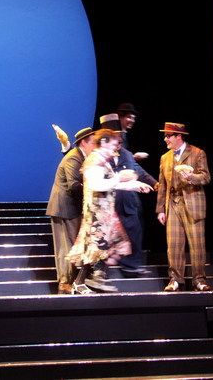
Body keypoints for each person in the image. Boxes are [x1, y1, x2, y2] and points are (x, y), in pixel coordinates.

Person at [66, 128, 153, 294]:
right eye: (113, 144)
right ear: (104, 142)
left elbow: (112, 185)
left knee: (108, 246)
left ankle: (94, 279)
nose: (116, 148)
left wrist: (134, 185)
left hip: (105, 212)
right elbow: (97, 185)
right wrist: (120, 177)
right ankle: (84, 281)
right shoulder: (94, 160)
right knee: (99, 247)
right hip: (96, 213)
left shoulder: (103, 160)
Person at [99, 113, 158, 277]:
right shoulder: (98, 156)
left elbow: (139, 171)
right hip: (107, 204)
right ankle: (101, 270)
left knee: (134, 232)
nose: (118, 142)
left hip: (126, 202)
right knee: (106, 238)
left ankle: (132, 266)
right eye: (115, 138)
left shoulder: (125, 154)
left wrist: (154, 183)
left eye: (120, 138)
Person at [156, 122, 212, 292]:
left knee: (197, 244)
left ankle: (199, 280)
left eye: (168, 136)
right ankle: (175, 279)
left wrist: (191, 177)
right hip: (173, 204)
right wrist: (160, 209)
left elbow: (206, 177)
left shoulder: (197, 153)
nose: (165, 139)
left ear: (179, 136)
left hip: (192, 203)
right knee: (174, 245)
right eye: (165, 136)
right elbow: (163, 185)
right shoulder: (165, 158)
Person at [45, 127, 96, 294]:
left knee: (72, 246)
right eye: (93, 142)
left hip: (71, 208)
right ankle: (64, 283)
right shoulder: (74, 157)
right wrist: (93, 191)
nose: (96, 146)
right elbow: (73, 185)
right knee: (65, 248)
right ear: (84, 143)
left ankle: (72, 281)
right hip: (64, 208)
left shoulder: (82, 156)